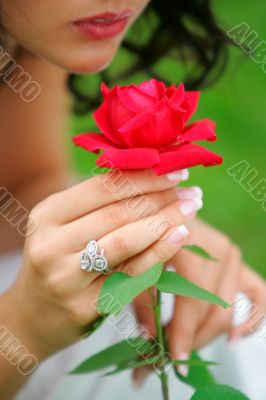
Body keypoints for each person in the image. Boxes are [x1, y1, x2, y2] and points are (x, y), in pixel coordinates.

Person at [0, 1, 265, 399]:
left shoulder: (23, 32)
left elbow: (23, 185)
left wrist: (140, 230)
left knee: (223, 313)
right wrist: (23, 326)